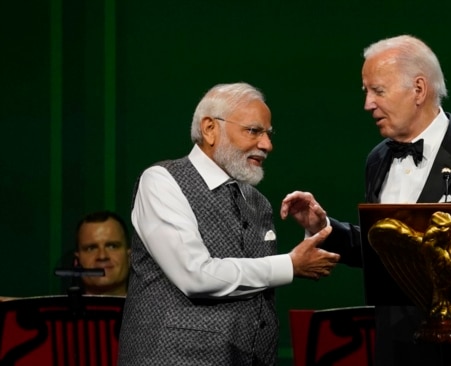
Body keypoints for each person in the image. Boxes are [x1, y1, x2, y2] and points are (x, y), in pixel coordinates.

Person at [281, 35, 451, 366]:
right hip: (396, 348)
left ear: (419, 90)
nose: (368, 104)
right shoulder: (377, 159)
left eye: (378, 91)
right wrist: (323, 226)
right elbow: (386, 251)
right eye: (366, 92)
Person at [117, 82, 340, 366]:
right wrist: (291, 265)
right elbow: (195, 275)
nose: (267, 145)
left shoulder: (258, 202)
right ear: (210, 128)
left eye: (268, 134)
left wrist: (314, 231)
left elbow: (257, 282)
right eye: (253, 131)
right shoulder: (161, 181)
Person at [75, 210, 131, 296]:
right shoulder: (54, 309)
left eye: (112, 246)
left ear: (129, 258)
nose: (102, 256)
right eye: (91, 248)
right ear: (77, 262)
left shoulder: (154, 308)